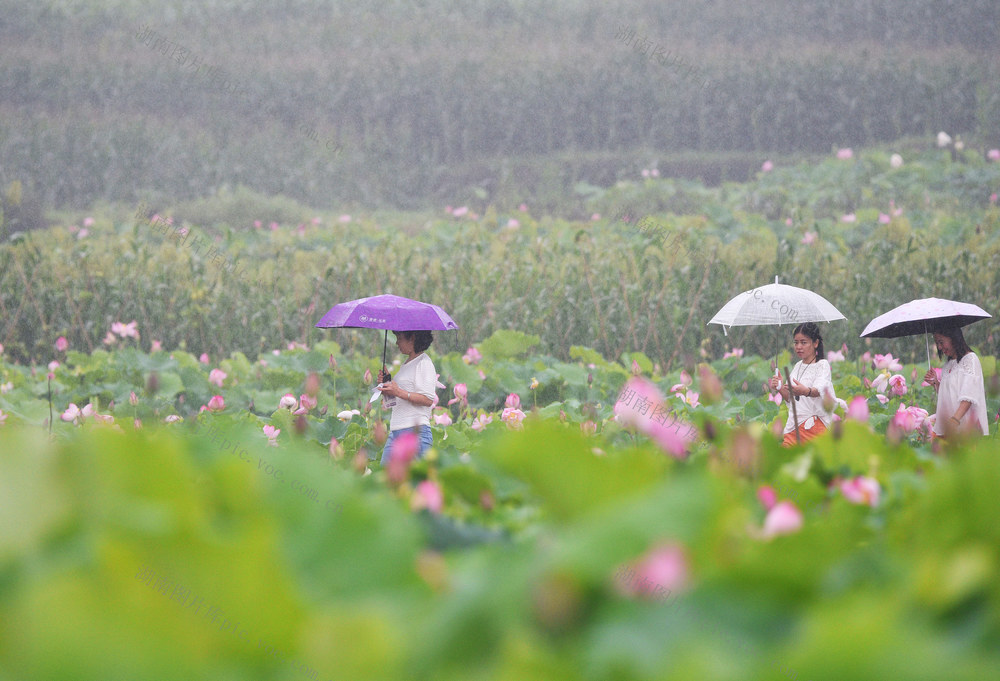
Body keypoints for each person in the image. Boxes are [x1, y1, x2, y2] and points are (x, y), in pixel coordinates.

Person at [767, 322, 835, 447]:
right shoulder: (797, 366)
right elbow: (791, 399)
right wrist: (780, 387)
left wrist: (805, 391)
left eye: (803, 342)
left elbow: (819, 390)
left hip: (815, 428)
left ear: (815, 343)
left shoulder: (822, 365)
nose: (798, 347)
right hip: (793, 427)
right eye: (796, 342)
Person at [377, 330, 438, 465]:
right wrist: (387, 386)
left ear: (412, 338)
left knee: (415, 478)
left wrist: (398, 391)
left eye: (399, 338)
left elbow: (428, 400)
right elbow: (395, 401)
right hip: (396, 430)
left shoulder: (424, 363)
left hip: (415, 432)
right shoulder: (406, 364)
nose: (396, 342)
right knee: (384, 474)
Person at [922, 325, 988, 437]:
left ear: (954, 337)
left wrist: (954, 420)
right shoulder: (948, 365)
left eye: (941, 342)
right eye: (937, 343)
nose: (939, 347)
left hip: (966, 429)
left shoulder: (970, 359)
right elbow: (949, 395)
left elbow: (968, 396)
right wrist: (936, 383)